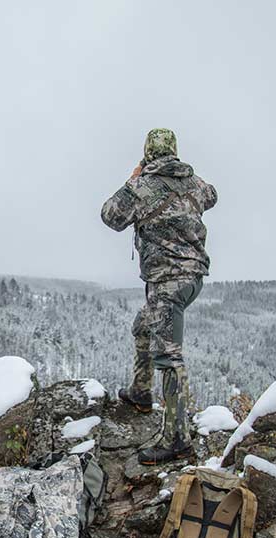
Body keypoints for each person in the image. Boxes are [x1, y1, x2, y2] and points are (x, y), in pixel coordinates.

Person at [100, 128, 217, 464]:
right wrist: (184, 176)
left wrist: (135, 176)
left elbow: (110, 216)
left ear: (148, 153)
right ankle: (140, 392)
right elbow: (212, 195)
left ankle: (176, 439)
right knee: (142, 326)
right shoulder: (195, 183)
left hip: (167, 282)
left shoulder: (141, 186)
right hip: (192, 279)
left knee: (168, 358)